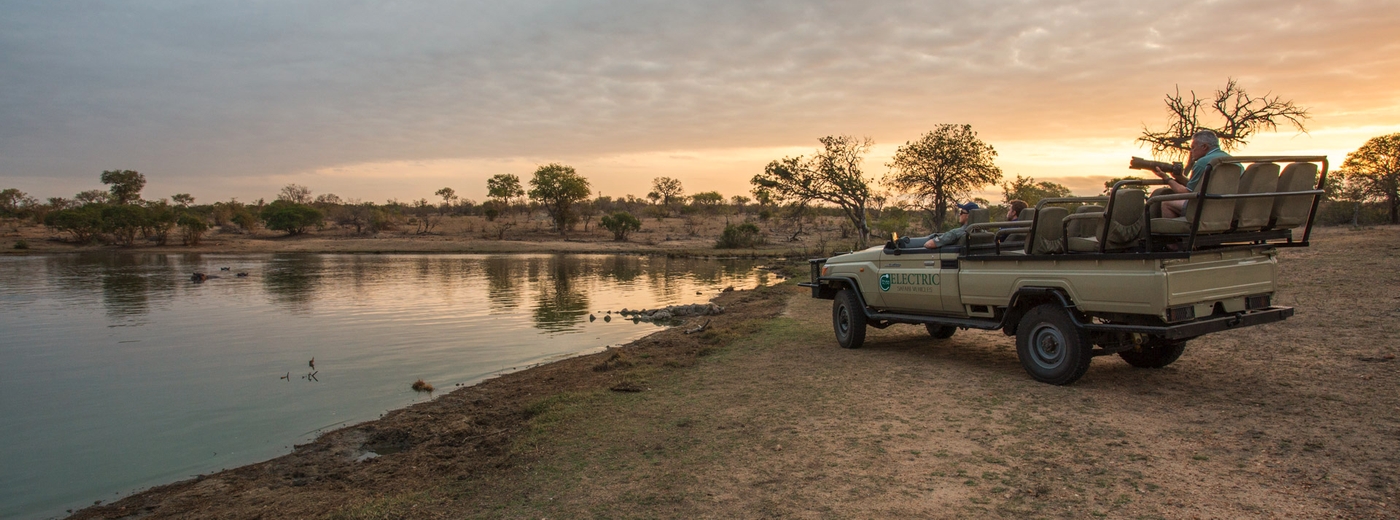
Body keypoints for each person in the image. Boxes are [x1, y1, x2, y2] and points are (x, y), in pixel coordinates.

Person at [1149, 129, 1232, 218]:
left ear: (1204, 147)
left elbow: (1187, 192)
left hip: (1205, 208)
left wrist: (1167, 178)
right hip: (1227, 207)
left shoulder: (1203, 163)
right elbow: (1198, 187)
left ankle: (1173, 230)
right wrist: (1180, 177)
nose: (1191, 151)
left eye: (1193, 147)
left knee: (1166, 203)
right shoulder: (1232, 160)